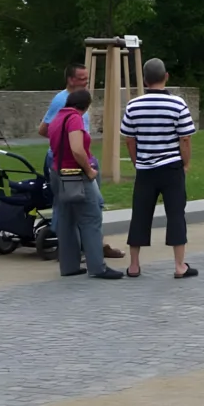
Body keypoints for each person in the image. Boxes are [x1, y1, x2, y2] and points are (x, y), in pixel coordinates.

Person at [120, 58, 198, 279]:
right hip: (171, 166)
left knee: (140, 214)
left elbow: (129, 139)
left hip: (145, 168)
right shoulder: (178, 104)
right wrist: (185, 163)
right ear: (166, 77)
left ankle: (134, 265)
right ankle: (179, 265)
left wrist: (137, 162)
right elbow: (185, 138)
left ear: (145, 80)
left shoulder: (133, 105)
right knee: (176, 214)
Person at [37, 63, 122, 261]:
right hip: (72, 162)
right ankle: (86, 250)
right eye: (82, 79)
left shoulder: (78, 100)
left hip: (76, 158)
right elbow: (44, 129)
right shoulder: (63, 101)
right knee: (84, 205)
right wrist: (66, 147)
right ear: (70, 80)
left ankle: (83, 248)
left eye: (87, 78)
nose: (86, 82)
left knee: (75, 205)